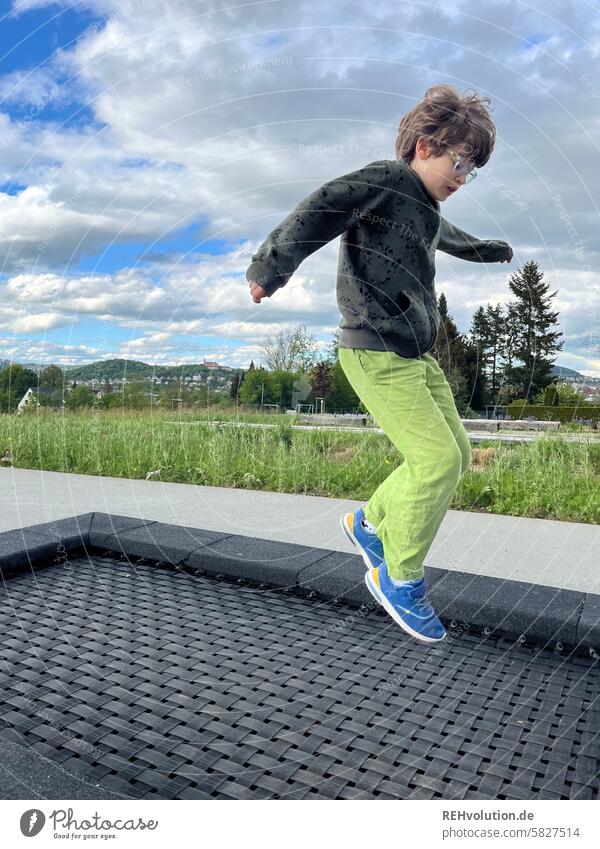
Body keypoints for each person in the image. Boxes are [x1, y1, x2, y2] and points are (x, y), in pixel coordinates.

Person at [246, 84, 513, 644]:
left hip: (413, 354)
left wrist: (487, 249)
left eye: (473, 168)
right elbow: (322, 207)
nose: (463, 176)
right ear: (423, 145)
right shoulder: (387, 182)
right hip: (375, 350)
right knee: (436, 462)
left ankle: (368, 523)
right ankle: (398, 577)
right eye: (459, 160)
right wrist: (271, 267)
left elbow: (448, 235)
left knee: (457, 455)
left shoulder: (427, 208)